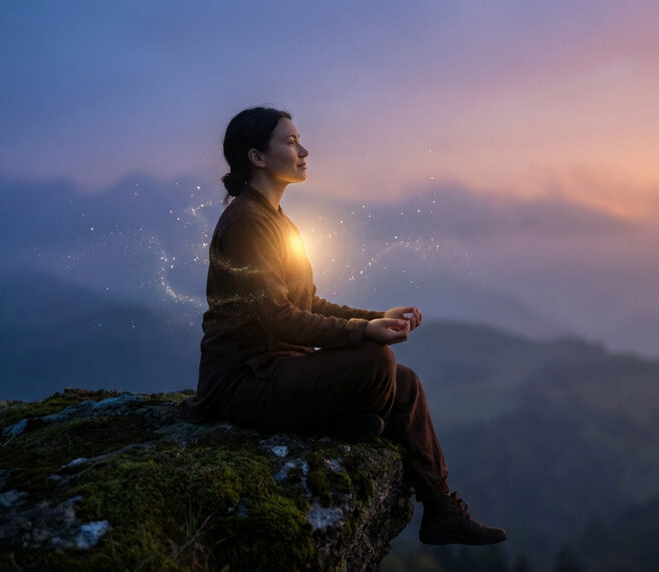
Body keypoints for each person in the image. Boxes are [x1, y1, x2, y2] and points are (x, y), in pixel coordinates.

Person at [178, 106, 506, 546]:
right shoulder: (247, 224)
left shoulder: (276, 221)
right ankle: (342, 420)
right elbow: (275, 317)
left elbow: (308, 303)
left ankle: (441, 509)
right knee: (375, 363)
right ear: (257, 157)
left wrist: (375, 318)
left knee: (404, 384)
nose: (304, 150)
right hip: (243, 382)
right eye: (290, 142)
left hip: (278, 368)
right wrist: (362, 335)